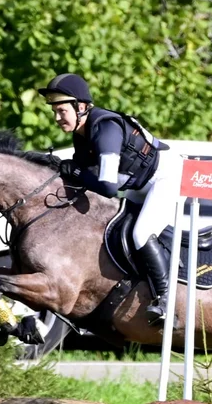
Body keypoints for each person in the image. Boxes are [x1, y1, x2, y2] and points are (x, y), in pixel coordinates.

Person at [39, 72, 183, 323]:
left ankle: (166, 300)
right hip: (140, 184)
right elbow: (83, 176)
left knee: (141, 233)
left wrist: (76, 171)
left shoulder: (106, 129)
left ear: (81, 107)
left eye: (61, 111)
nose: (57, 118)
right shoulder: (82, 133)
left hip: (166, 177)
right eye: (55, 111)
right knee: (113, 230)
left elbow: (107, 187)